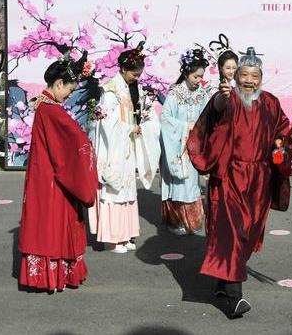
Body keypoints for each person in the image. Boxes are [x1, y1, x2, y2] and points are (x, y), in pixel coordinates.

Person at [187, 47, 292, 319]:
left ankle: (221, 283)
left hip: (259, 180)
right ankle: (235, 299)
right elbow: (214, 111)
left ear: (261, 77)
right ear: (236, 76)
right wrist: (222, 96)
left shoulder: (270, 102)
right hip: (230, 176)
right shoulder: (227, 100)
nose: (249, 81)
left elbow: (282, 133)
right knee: (231, 234)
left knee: (248, 234)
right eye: (244, 75)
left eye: (254, 76)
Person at [17, 49, 98, 293]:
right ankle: (54, 275)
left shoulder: (45, 106)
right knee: (55, 222)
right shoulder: (51, 110)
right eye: (69, 90)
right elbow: (73, 142)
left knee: (47, 222)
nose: (69, 96)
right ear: (59, 83)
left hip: (44, 175)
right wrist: (87, 146)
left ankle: (50, 274)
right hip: (53, 179)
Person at [89, 44, 161, 254]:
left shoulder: (134, 88)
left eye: (138, 74)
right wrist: (131, 127)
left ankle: (126, 234)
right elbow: (107, 123)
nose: (136, 77)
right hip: (114, 146)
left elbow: (141, 112)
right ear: (122, 69)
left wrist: (143, 123)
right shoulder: (111, 89)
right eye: (133, 73)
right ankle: (112, 238)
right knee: (113, 188)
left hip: (127, 143)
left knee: (127, 188)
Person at [160, 48, 211, 235]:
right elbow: (165, 119)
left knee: (192, 182)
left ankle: (193, 221)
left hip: (194, 145)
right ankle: (178, 221)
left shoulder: (202, 94)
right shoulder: (175, 94)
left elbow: (207, 116)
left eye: (201, 77)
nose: (199, 81)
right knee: (179, 183)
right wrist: (185, 127)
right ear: (186, 72)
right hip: (178, 146)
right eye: (196, 77)